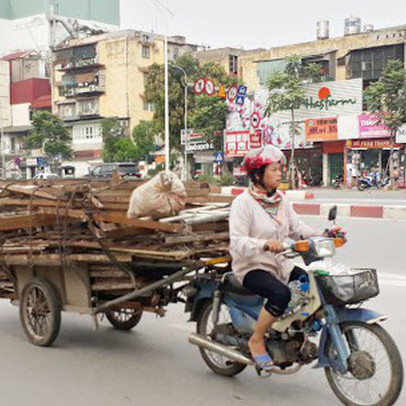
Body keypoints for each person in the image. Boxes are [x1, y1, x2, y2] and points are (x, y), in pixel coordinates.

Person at [229, 145, 317, 371]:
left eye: (280, 169)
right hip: (251, 266)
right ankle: (257, 339)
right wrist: (265, 244)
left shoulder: (280, 200)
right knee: (281, 293)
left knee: (310, 283)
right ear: (258, 175)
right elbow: (237, 241)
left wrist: (322, 235)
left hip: (280, 264)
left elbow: (297, 227)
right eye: (274, 170)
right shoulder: (243, 203)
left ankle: (290, 329)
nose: (280, 174)